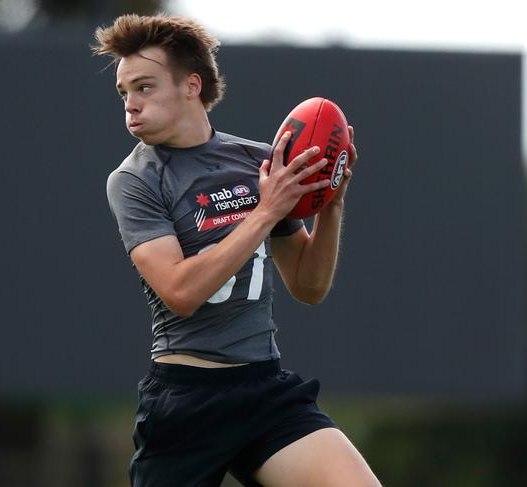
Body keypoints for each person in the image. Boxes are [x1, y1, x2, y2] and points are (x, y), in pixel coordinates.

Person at [93, 13, 381, 487]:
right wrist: (265, 212)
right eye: (124, 93)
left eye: (144, 87)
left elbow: (308, 287)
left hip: (263, 388)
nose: (131, 105)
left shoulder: (257, 162)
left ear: (191, 85)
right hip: (188, 401)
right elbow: (181, 292)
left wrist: (330, 204)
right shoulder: (133, 180)